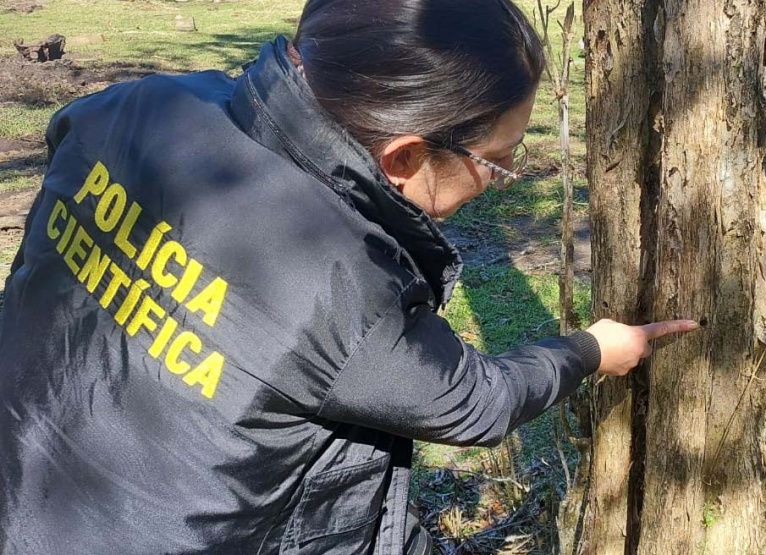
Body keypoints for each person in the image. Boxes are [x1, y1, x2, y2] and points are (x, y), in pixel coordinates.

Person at [0, 1, 698, 554]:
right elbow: (474, 402)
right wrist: (590, 350)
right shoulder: (344, 288)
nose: (496, 183)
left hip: (25, 484)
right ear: (402, 156)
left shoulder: (134, 104)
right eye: (498, 161)